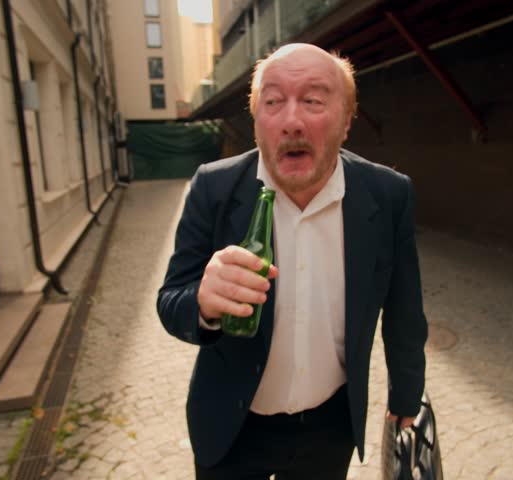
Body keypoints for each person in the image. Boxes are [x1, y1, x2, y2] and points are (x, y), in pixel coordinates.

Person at [157, 43, 427, 479]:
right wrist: (203, 303)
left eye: (314, 100)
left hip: (329, 429)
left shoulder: (388, 195)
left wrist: (406, 397)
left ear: (346, 120)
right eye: (273, 102)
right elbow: (171, 301)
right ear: (257, 121)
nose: (292, 121)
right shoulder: (213, 188)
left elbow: (404, 310)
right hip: (231, 427)